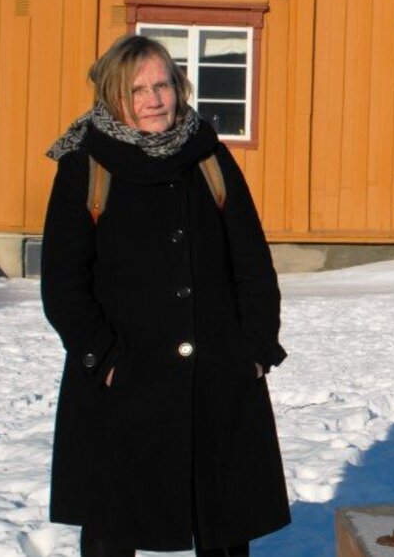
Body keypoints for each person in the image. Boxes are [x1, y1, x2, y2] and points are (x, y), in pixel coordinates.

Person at [41, 36, 290, 556]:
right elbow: (63, 283)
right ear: (115, 97)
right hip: (123, 380)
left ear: (179, 88)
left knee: (222, 522)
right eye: (137, 90)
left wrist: (256, 349)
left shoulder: (209, 156)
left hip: (216, 374)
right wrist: (103, 358)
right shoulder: (86, 164)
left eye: (162, 85)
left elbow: (252, 263)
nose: (153, 99)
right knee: (113, 524)